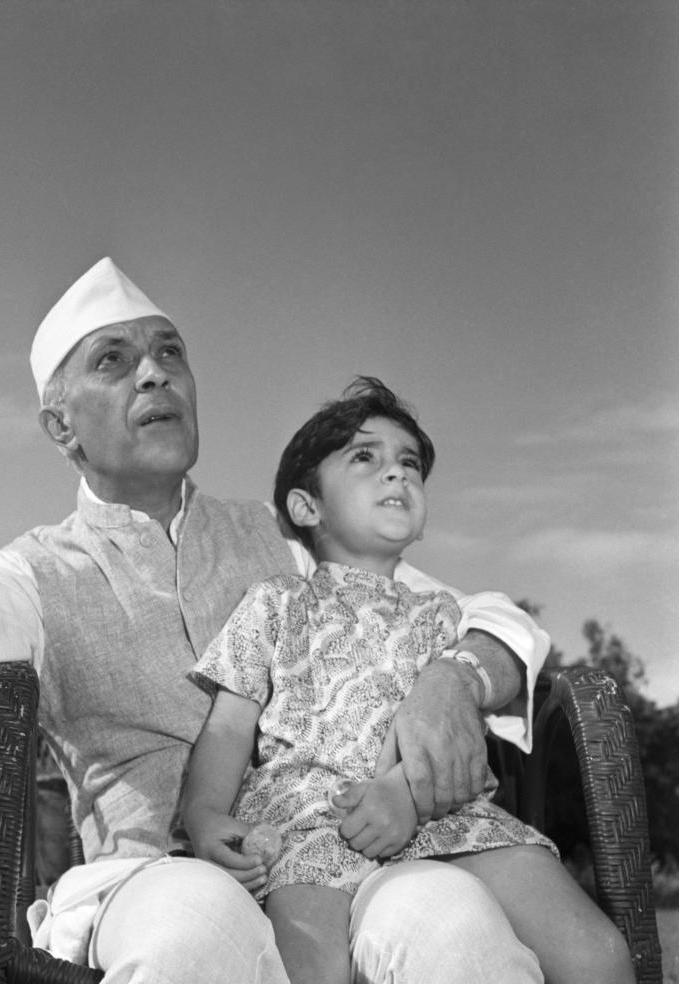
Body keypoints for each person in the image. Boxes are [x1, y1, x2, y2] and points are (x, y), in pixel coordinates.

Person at [0, 170, 555, 983]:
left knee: (454, 924)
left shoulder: (287, 541)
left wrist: (458, 677)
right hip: (150, 880)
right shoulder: (37, 577)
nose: (154, 374)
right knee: (197, 928)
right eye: (113, 361)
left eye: (169, 354)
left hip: (342, 866)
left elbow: (494, 620)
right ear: (60, 427)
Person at [182, 378, 634, 984]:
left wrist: (404, 792)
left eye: (410, 464)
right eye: (365, 457)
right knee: (309, 968)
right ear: (305, 507)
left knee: (598, 955)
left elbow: (462, 744)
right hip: (312, 820)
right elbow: (229, 726)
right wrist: (206, 814)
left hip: (441, 811)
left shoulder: (446, 617)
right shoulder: (273, 604)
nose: (397, 475)